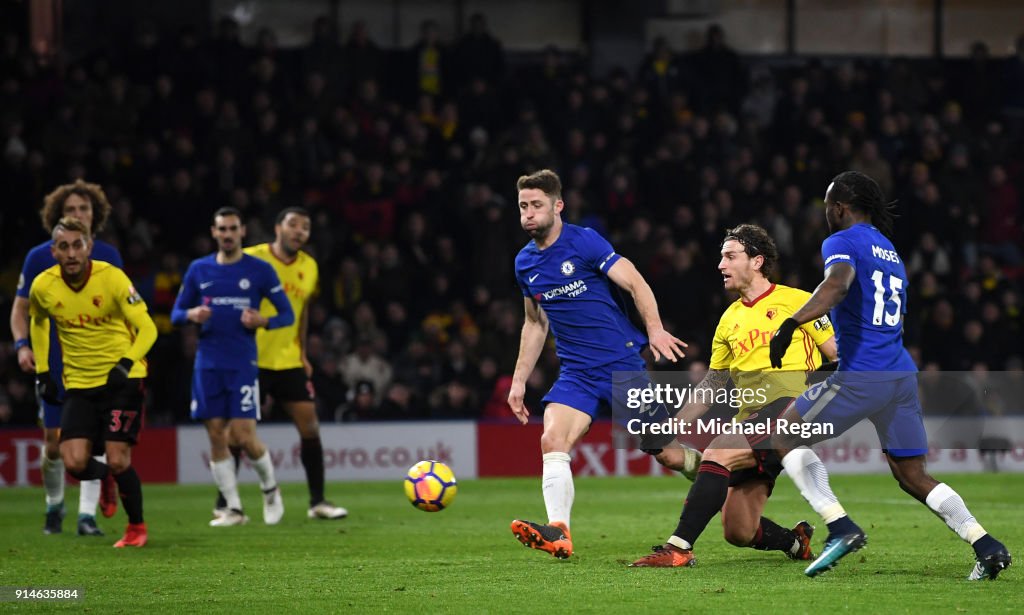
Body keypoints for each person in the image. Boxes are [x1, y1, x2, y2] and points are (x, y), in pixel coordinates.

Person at [768, 170, 1012, 579]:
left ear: (841, 208)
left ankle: (840, 527)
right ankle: (987, 545)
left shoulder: (841, 241)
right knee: (912, 475)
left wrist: (793, 323)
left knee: (783, 432)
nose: (826, 214)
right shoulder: (890, 251)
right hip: (899, 375)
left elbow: (838, 285)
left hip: (865, 376)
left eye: (828, 206)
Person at [507, 169, 691, 559]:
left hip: (621, 366)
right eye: (523, 206)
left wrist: (655, 330)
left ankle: (721, 476)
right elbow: (535, 322)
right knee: (552, 440)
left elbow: (635, 282)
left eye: (536, 205)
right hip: (577, 373)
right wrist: (518, 380)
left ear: (558, 206)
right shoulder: (525, 263)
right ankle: (559, 532)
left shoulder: (584, 242)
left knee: (668, 453)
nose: (528, 214)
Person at [631, 224, 837, 567]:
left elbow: (836, 357)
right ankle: (795, 542)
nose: (720, 265)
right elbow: (712, 385)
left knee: (718, 452)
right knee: (739, 531)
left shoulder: (799, 302)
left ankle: (678, 548)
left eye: (730, 256)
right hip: (753, 420)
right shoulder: (729, 319)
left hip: (791, 410)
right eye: (721, 257)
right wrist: (672, 426)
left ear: (756, 261)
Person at [211, 206, 347, 520]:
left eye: (306, 227)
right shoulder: (250, 258)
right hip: (250, 360)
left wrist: (301, 354)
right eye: (294, 224)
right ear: (278, 228)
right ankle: (226, 505)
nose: (300, 231)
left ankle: (318, 502)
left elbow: (302, 312)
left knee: (310, 427)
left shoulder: (309, 266)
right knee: (236, 436)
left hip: (287, 360)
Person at [28, 217, 157, 548]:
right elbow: (38, 322)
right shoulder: (43, 286)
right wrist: (44, 371)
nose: (71, 253)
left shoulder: (111, 278)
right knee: (72, 461)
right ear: (53, 251)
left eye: (77, 245)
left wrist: (126, 363)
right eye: (64, 246)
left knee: (117, 458)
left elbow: (148, 328)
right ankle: (107, 481)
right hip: (80, 384)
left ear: (89, 247)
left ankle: (136, 529)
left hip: (123, 381)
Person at [10, 180, 122, 536]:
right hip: (54, 360)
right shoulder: (40, 256)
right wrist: (22, 345)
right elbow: (20, 310)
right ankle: (54, 505)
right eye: (71, 209)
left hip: (98, 362)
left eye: (84, 209)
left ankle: (86, 517)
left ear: (96, 215)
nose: (79, 215)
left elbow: (123, 311)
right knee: (54, 444)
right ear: (59, 215)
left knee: (93, 439)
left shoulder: (109, 256)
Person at [171, 207, 294, 526]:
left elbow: (287, 314)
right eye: (221, 229)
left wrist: (263, 320)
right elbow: (175, 314)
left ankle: (270, 490)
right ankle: (234, 509)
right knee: (215, 435)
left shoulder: (260, 270)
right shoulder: (199, 269)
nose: (227, 234)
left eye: (232, 229)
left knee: (242, 436)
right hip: (208, 363)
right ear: (214, 233)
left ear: (242, 232)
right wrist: (192, 315)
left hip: (242, 363)